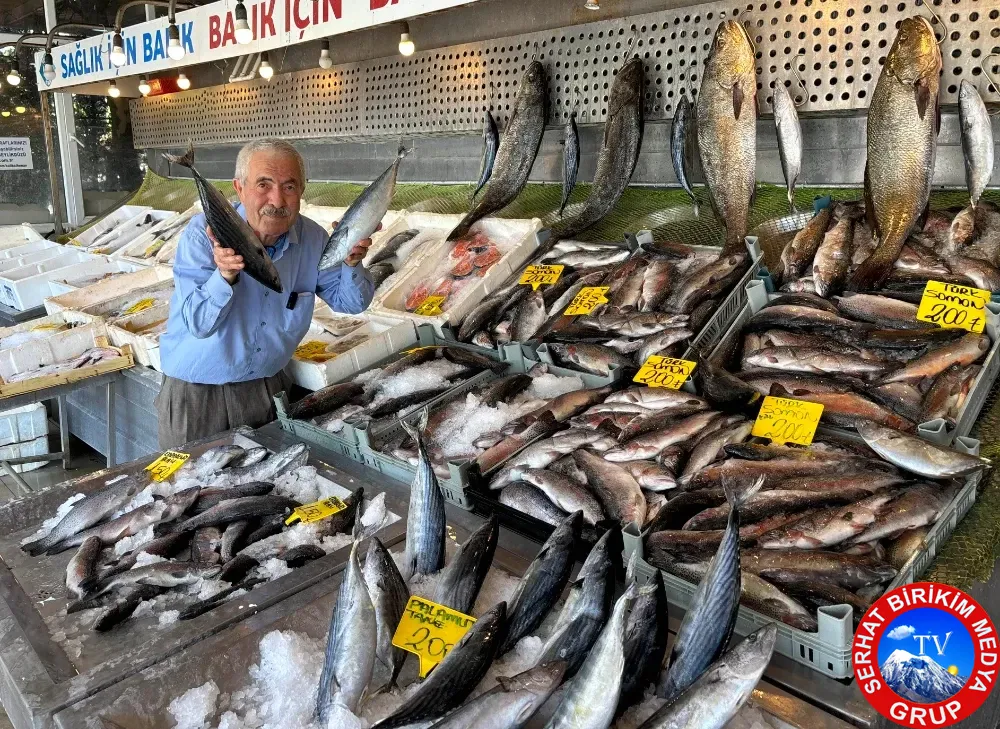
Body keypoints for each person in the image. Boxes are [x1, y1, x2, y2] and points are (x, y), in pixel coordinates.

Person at [156, 138, 376, 448]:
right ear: (239, 187)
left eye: (289, 186)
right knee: (192, 490)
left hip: (269, 390)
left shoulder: (313, 238)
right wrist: (225, 275)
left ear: (302, 189)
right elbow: (199, 324)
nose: (277, 199)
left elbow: (351, 303)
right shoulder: (204, 234)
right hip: (198, 396)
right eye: (263, 184)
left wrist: (353, 262)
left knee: (268, 488)